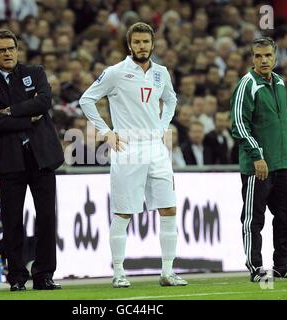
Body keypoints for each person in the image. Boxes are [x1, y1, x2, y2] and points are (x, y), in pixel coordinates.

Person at [79, 22, 188, 288]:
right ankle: (118, 272)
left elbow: (171, 100)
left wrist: (163, 127)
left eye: (146, 42)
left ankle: (167, 272)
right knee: (124, 212)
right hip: (127, 148)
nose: (142, 46)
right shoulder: (115, 73)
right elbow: (86, 99)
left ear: (152, 44)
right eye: (137, 42)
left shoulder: (161, 73)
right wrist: (106, 132)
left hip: (156, 148)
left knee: (169, 208)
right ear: (129, 45)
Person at [0, 29, 64, 291]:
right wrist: (26, 119)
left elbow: (44, 102)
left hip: (42, 157)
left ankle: (44, 275)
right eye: (2, 50)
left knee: (47, 218)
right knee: (12, 221)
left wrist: (11, 111)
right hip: (11, 161)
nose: (8, 53)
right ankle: (16, 277)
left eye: (11, 48)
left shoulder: (35, 72)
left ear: (18, 50)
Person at [230, 37, 287, 282]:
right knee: (254, 218)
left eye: (267, 56)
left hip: (282, 163)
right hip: (259, 167)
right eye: (258, 56)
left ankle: (282, 265)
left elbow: (284, 117)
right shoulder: (247, 84)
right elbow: (238, 124)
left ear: (276, 58)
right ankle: (255, 267)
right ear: (252, 58)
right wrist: (257, 156)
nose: (263, 60)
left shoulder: (279, 82)